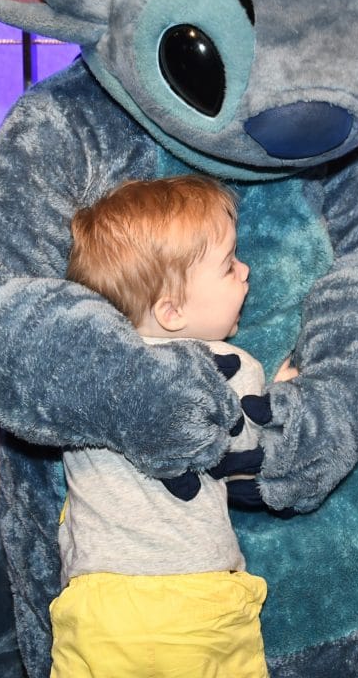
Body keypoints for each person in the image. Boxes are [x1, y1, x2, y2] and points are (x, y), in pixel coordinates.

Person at [50, 174, 289, 678]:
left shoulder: (83, 372)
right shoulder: (228, 365)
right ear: (172, 312)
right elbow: (250, 450)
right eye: (228, 265)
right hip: (199, 600)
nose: (246, 271)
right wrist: (283, 392)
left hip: (98, 603)